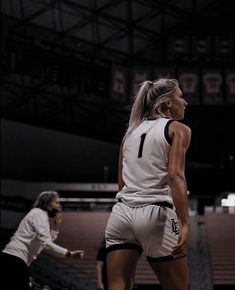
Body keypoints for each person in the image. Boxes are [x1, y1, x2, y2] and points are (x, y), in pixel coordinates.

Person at [105, 78, 191, 290]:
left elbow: (121, 183)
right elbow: (175, 176)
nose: (185, 102)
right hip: (156, 213)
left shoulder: (130, 133)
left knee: (118, 285)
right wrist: (186, 223)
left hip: (121, 213)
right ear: (168, 102)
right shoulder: (178, 129)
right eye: (180, 97)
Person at [0, 191, 85, 290]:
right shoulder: (39, 214)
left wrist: (55, 228)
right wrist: (69, 253)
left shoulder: (40, 215)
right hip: (14, 259)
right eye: (57, 203)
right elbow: (47, 244)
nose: (59, 206)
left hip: (14, 258)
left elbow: (44, 245)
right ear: (48, 205)